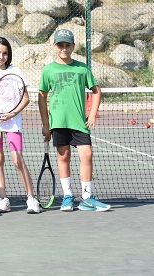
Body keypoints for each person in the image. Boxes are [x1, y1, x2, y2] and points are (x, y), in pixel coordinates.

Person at [38, 29, 110, 212]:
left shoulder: (82, 68)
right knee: (64, 156)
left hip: (79, 121)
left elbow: (97, 90)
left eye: (67, 45)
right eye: (60, 45)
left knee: (86, 154)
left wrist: (92, 114)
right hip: (58, 121)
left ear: (73, 46)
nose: (64, 48)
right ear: (54, 46)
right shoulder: (48, 70)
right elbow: (41, 96)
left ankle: (86, 198)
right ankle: (67, 196)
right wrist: (46, 124)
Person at [0, 37, 41, 214]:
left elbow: (26, 98)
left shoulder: (16, 72)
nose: (1, 56)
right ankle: (3, 199)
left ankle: (31, 198)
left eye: (5, 53)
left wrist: (13, 113)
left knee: (17, 160)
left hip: (13, 124)